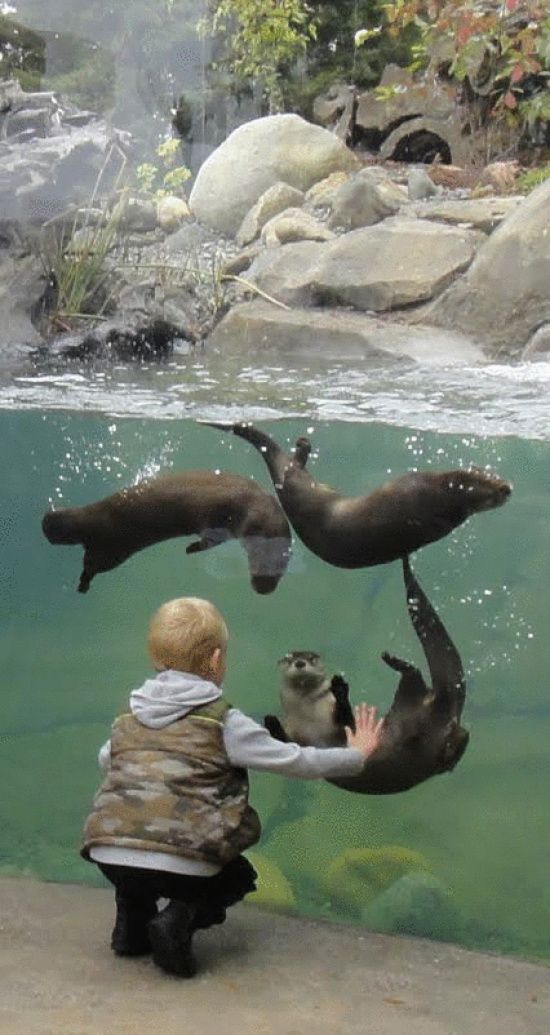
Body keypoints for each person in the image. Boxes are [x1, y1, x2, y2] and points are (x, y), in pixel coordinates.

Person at [81, 597, 384, 978]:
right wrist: (356, 756)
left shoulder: (127, 716)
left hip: (109, 856)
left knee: (137, 864)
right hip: (184, 863)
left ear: (155, 658)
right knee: (237, 876)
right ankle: (177, 921)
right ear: (215, 661)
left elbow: (107, 761)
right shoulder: (225, 723)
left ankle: (131, 924)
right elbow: (297, 761)